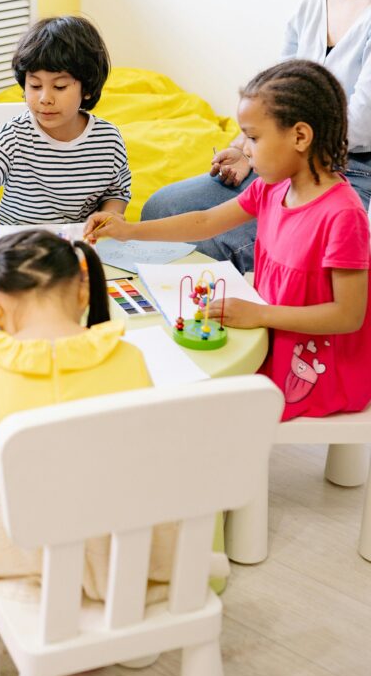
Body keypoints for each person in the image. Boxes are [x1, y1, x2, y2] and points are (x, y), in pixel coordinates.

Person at [0, 229, 219, 600]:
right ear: (84, 290)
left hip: (11, 552)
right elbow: (145, 450)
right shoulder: (128, 358)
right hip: (117, 549)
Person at [85, 60, 371, 421]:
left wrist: (258, 314)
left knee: (202, 410)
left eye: (253, 137)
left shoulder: (343, 215)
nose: (246, 150)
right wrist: (127, 231)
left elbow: (348, 315)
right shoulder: (273, 187)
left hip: (316, 368)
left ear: (300, 136)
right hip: (270, 336)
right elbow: (206, 222)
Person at [141, 0, 371, 273]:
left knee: (228, 244)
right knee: (160, 209)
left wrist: (268, 146)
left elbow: (355, 127)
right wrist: (245, 147)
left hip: (353, 175)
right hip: (285, 157)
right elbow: (274, 96)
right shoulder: (309, 7)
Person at [0, 16, 130, 266]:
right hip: (15, 253)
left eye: (59, 87)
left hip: (73, 256)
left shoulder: (108, 140)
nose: (45, 98)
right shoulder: (14, 136)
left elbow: (117, 192)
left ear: (87, 89)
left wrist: (109, 217)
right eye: (35, 85)